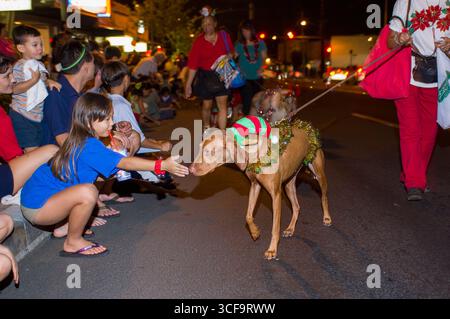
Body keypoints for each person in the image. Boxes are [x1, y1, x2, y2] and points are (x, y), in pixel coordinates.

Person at [20, 93, 189, 257]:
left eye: (111, 118)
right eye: (107, 119)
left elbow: (108, 171)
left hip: (39, 199)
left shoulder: (79, 138)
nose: (111, 123)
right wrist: (161, 164)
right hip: (38, 207)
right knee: (88, 192)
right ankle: (73, 241)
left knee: (96, 180)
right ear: (89, 121)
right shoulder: (88, 146)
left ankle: (63, 227)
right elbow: (125, 163)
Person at [1, 53, 58, 284]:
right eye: (6, 76)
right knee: (50, 152)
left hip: (7, 170)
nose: (12, 80)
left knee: (49, 152)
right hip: (7, 175)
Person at [388, 0, 448, 201]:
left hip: (438, 75)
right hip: (408, 73)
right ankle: (414, 182)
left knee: (430, 132)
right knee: (410, 129)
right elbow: (390, 40)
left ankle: (412, 174)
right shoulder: (406, 1)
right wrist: (399, 38)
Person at [9, 25, 61, 152]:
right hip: (22, 115)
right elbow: (14, 89)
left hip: (36, 115)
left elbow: (41, 81)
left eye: (41, 44)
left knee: (37, 149)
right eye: (35, 45)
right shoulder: (19, 66)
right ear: (21, 48)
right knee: (32, 152)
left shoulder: (39, 64)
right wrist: (33, 80)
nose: (40, 48)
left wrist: (48, 81)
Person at [102, 61, 172, 152]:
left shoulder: (106, 99)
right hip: (123, 155)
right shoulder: (121, 106)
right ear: (126, 79)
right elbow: (137, 139)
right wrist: (160, 146)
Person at [185, 7, 234, 130]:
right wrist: (188, 85)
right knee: (207, 106)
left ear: (215, 24)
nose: (206, 26)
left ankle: (222, 134)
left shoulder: (224, 36)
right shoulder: (199, 42)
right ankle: (207, 128)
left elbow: (232, 52)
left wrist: (230, 55)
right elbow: (193, 65)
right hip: (205, 76)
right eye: (204, 24)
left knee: (222, 105)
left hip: (222, 73)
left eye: (209, 24)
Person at [42, 39, 95, 146]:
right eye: (93, 63)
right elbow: (63, 140)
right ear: (86, 68)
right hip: (58, 160)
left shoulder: (79, 95)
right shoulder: (55, 94)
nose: (95, 67)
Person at [235, 20, 267, 115]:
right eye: (243, 31)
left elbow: (264, 58)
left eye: (247, 31)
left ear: (252, 31)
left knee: (257, 102)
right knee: (247, 101)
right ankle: (247, 122)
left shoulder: (260, 43)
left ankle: (256, 123)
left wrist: (262, 67)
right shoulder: (240, 45)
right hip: (244, 78)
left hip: (258, 78)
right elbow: (233, 57)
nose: (245, 33)